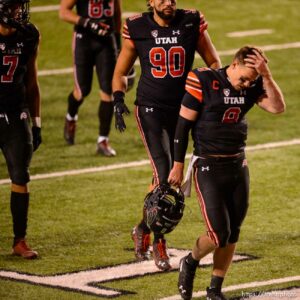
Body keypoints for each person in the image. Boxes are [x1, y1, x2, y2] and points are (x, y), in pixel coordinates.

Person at [168, 46, 285, 299]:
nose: (245, 84)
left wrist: (266, 76)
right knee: (218, 233)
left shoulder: (253, 85)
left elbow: (277, 108)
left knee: (233, 231)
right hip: (208, 165)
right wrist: (177, 164)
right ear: (233, 64)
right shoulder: (204, 80)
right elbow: (182, 126)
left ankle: (214, 289)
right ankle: (190, 260)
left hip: (237, 164)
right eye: (243, 77)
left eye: (250, 80)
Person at [112, 0, 221, 271]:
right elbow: (120, 72)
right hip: (150, 110)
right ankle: (158, 242)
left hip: (183, 111)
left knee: (167, 178)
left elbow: (214, 62)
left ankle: (141, 229)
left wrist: (207, 92)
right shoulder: (137, 26)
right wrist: (117, 97)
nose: (168, 3)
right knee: (165, 176)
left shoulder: (191, 21)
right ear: (150, 2)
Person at [0, 0, 42, 259]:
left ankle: (19, 240)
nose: (18, 11)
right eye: (13, 6)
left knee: (20, 175)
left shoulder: (28, 35)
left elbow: (31, 80)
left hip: (16, 115)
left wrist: (36, 122)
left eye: (19, 6)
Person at [59, 0, 122, 156]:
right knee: (82, 91)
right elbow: (63, 12)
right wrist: (87, 22)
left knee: (109, 92)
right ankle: (71, 116)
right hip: (84, 40)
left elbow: (117, 13)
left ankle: (102, 140)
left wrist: (119, 44)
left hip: (107, 41)